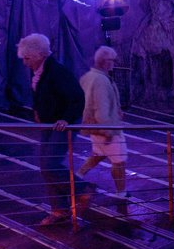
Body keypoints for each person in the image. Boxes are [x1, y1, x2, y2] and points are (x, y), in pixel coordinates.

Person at [17, 33, 93, 225]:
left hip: (61, 125)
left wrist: (66, 119)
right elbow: (40, 94)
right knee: (45, 166)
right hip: (48, 124)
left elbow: (77, 97)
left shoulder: (57, 71)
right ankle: (59, 209)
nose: (25, 63)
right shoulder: (38, 71)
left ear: (39, 55)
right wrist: (37, 110)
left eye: (27, 58)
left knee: (50, 164)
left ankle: (82, 189)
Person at [78, 46, 129, 198]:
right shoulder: (101, 80)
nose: (114, 63)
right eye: (112, 60)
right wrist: (107, 130)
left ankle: (78, 175)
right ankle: (121, 192)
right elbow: (101, 107)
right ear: (105, 62)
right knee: (119, 161)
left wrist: (117, 110)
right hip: (106, 128)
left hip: (94, 127)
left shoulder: (88, 77)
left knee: (99, 153)